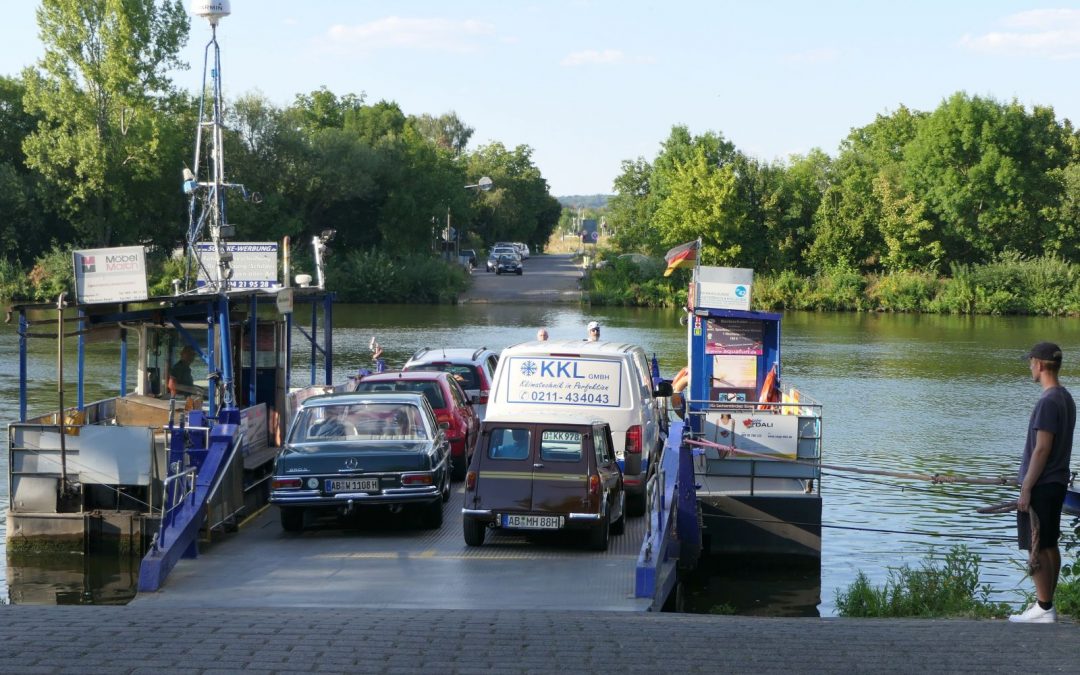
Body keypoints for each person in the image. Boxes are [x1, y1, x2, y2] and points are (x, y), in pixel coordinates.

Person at [1009, 342, 1076, 624]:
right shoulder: (1066, 398)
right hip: (1056, 483)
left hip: (1041, 484)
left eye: (1030, 362)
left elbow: (1042, 449)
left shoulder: (1047, 402)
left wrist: (1025, 487)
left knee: (1035, 544)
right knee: (1048, 544)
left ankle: (1043, 606)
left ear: (1038, 364)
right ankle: (1046, 605)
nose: (1029, 367)